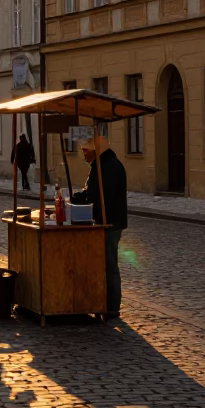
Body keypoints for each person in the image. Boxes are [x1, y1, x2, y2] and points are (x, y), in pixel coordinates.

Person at [71, 135, 127, 319]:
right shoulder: (102, 164)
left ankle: (111, 307)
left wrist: (82, 198)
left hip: (109, 222)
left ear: (97, 150)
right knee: (103, 264)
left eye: (86, 151)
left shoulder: (107, 166)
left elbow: (100, 195)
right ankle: (103, 303)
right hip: (105, 221)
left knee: (109, 265)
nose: (84, 155)